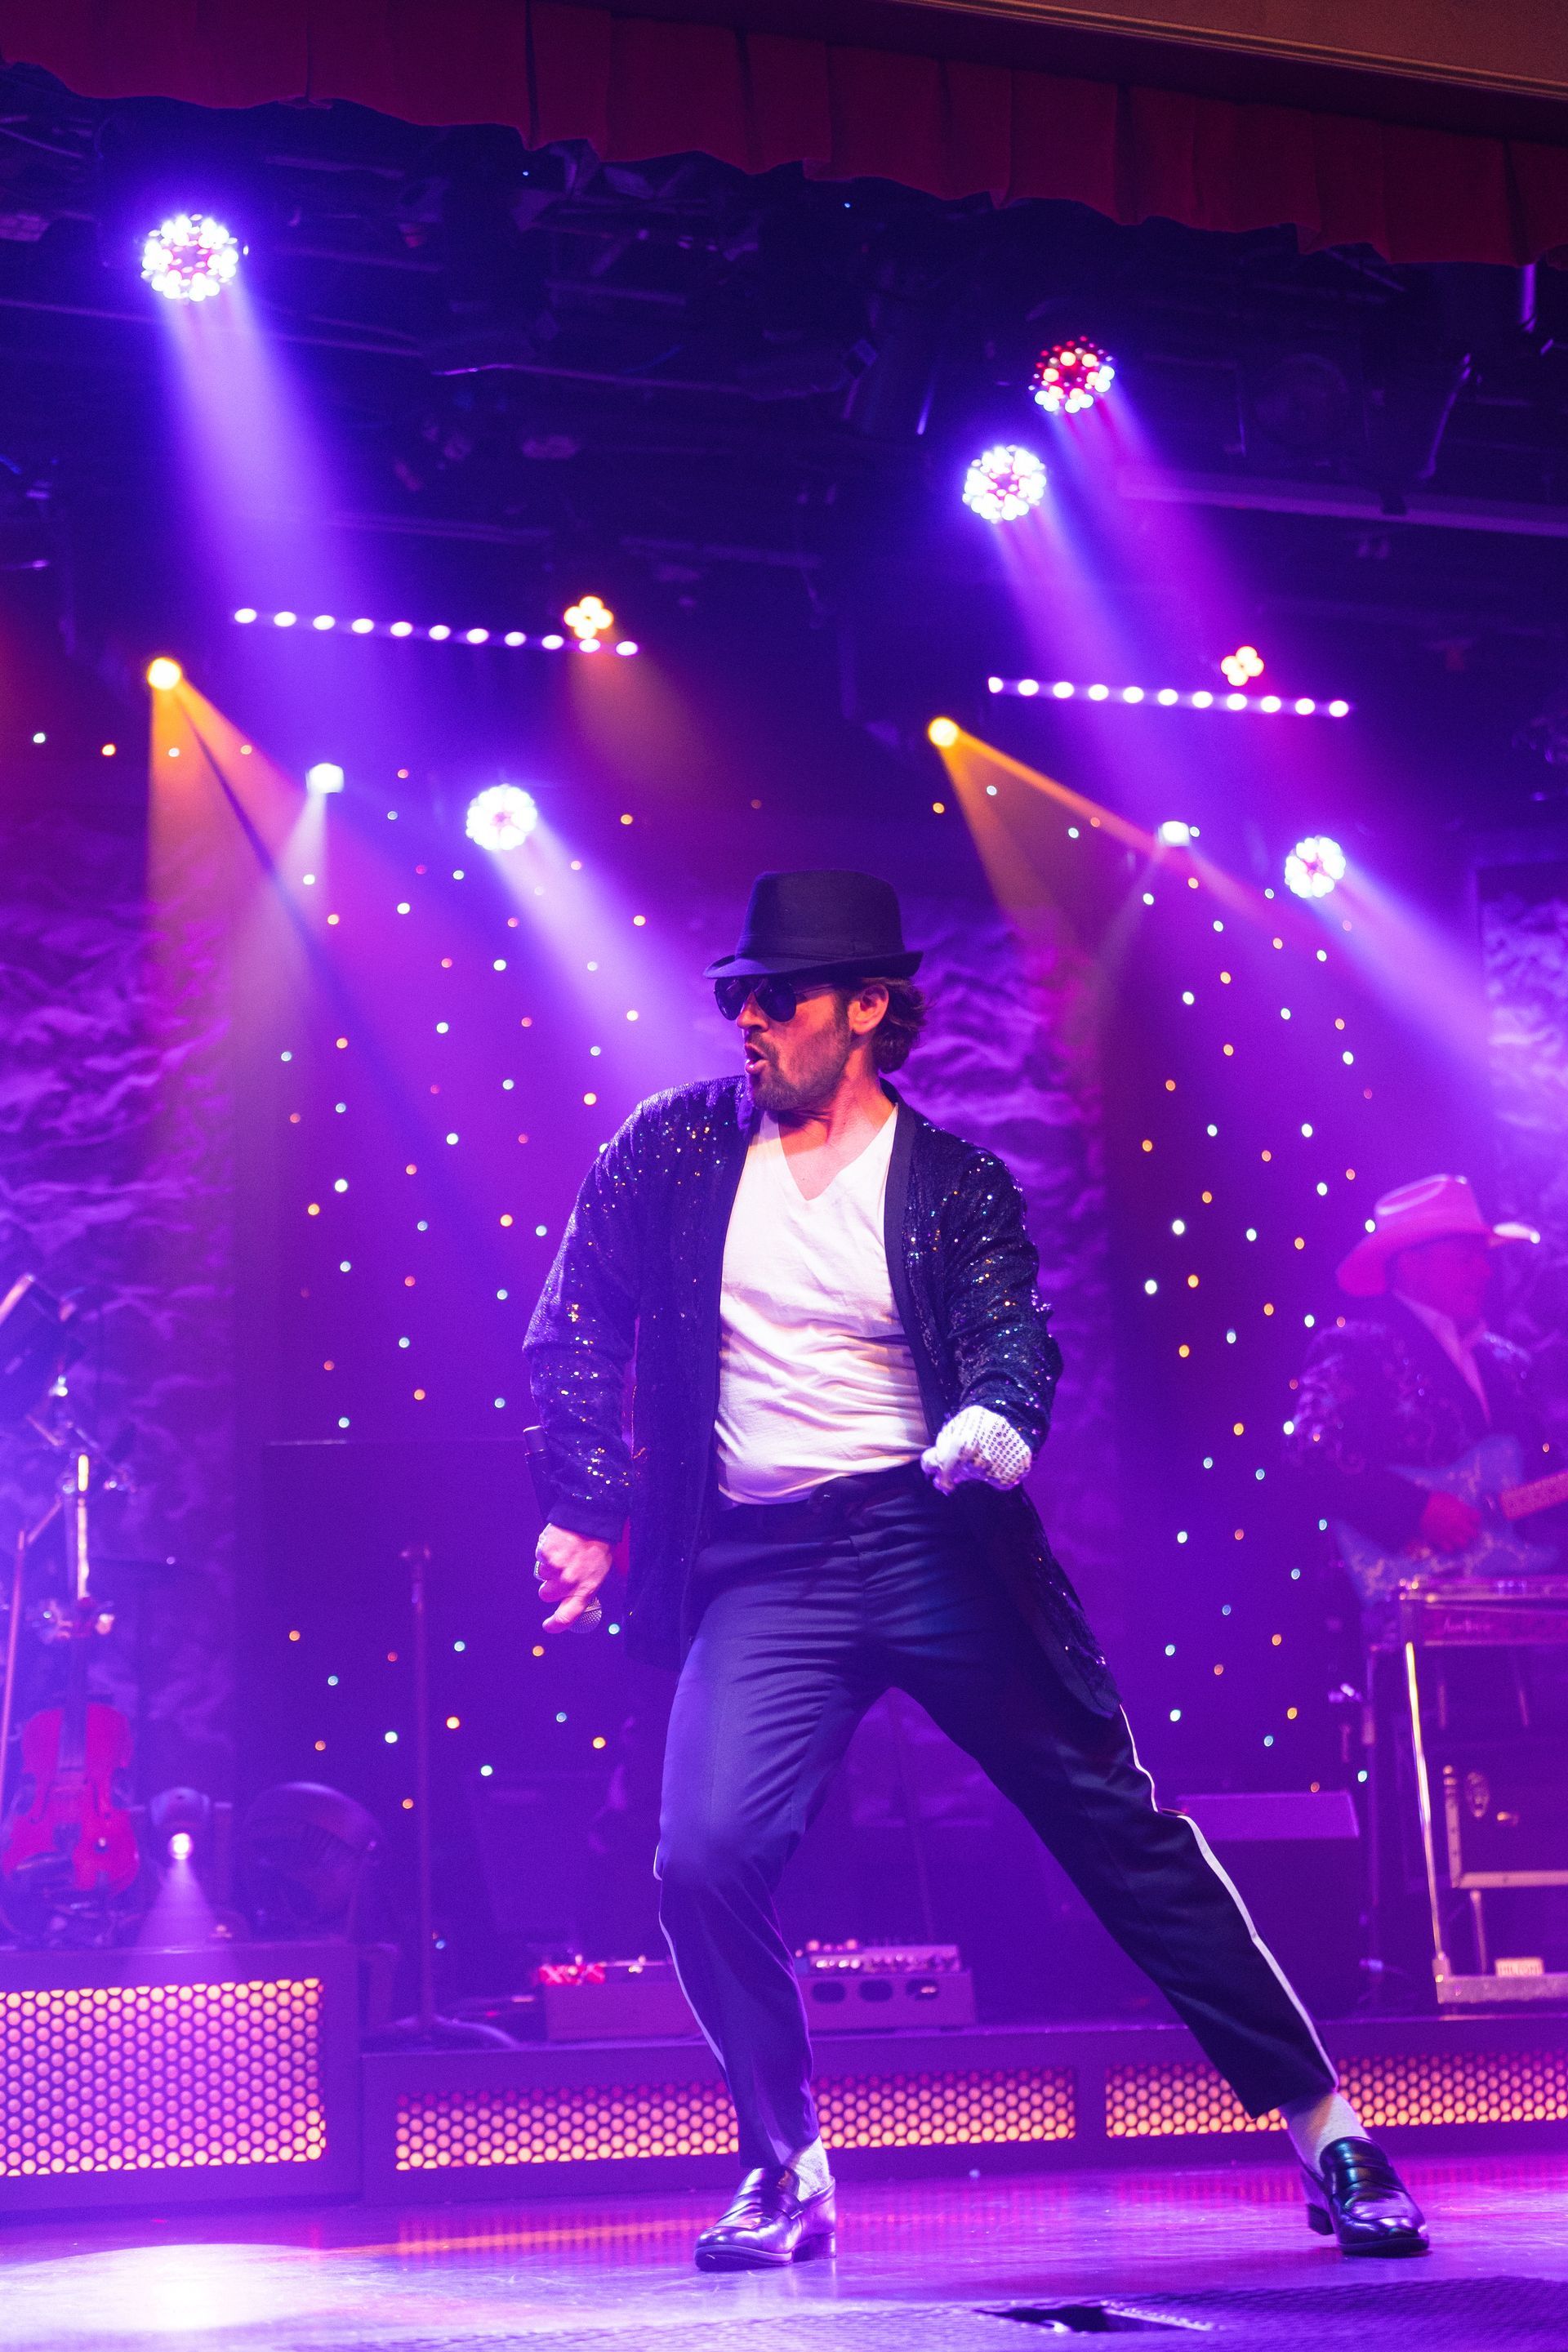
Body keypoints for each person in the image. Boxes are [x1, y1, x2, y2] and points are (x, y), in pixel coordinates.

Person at [524, 869, 1427, 2268]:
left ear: (870, 1010)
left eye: (785, 1000)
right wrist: (587, 1503)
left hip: (933, 1542)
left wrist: (998, 1419)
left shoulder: (954, 1183)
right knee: (702, 1860)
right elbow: (580, 1317)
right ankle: (788, 2167)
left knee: (1119, 1836)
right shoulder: (673, 1151)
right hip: (767, 1564)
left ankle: (1328, 2128)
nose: (753, 1024)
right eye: (742, 1000)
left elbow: (1016, 1335)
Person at [1290, 1174, 1548, 1596]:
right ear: (1410, 1263)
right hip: (1405, 1611)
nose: (1484, 1271)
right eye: (1466, 1258)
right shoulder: (1357, 1349)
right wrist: (1416, 1509)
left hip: (1506, 1609)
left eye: (1483, 1257)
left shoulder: (1509, 1363)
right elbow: (1311, 1451)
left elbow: (1537, 1480)